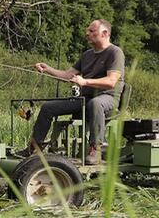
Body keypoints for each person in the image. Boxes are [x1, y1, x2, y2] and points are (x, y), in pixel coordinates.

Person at [29, 19, 124, 165]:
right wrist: (47, 69)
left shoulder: (115, 52)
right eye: (88, 31)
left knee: (95, 103)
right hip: (84, 99)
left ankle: (96, 149)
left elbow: (111, 81)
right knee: (48, 107)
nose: (87, 33)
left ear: (104, 33)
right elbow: (68, 76)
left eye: (92, 31)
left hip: (107, 97)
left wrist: (85, 82)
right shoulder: (86, 55)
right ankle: (34, 148)